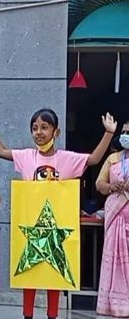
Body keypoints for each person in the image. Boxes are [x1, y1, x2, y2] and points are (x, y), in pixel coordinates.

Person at [0, 108, 115, 319]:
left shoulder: (67, 159)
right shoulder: (26, 156)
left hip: (57, 227)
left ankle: (52, 315)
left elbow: (93, 159)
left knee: (55, 273)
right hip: (31, 227)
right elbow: (1, 152)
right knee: (29, 274)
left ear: (56, 132)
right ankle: (27, 315)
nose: (39, 132)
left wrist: (108, 133)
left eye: (44, 127)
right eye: (35, 128)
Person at [96, 120, 129, 317]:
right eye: (124, 132)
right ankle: (114, 305)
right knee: (114, 260)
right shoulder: (113, 158)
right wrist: (110, 187)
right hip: (115, 214)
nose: (125, 136)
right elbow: (99, 183)